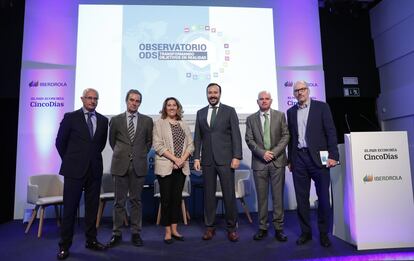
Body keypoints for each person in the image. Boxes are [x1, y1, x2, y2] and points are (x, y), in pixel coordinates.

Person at [55, 88, 108, 260]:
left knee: (92, 209)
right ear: (82, 99)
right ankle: (64, 245)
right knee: (70, 209)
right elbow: (60, 142)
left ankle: (91, 240)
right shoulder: (71, 117)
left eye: (95, 98)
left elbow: (99, 145)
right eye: (89, 98)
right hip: (74, 170)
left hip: (94, 170)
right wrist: (71, 160)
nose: (92, 101)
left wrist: (89, 160)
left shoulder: (103, 120)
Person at [287, 80, 339, 248]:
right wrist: (290, 159)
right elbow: (291, 138)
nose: (300, 92)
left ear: (308, 91)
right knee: (301, 199)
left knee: (323, 198)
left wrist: (333, 155)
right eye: (296, 90)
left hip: (319, 159)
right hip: (299, 159)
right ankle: (306, 233)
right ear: (294, 94)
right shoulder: (290, 112)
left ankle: (324, 233)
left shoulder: (321, 107)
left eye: (302, 89)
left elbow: (330, 131)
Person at [194, 83, 243, 242]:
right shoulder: (200, 113)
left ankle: (231, 228)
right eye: (210, 92)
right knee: (208, 196)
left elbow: (236, 135)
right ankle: (209, 227)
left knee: (229, 195)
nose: (212, 95)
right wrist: (196, 157)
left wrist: (237, 156)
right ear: (206, 94)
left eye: (215, 92)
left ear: (220, 94)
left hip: (226, 160)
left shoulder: (229, 111)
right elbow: (198, 138)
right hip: (207, 160)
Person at [106, 89, 153, 248]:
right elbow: (112, 141)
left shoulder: (147, 121)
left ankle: (135, 233)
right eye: (131, 100)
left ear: (140, 103)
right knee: (119, 202)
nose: (134, 103)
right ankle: (116, 234)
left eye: (137, 101)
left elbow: (148, 143)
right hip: (120, 165)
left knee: (136, 201)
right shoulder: (116, 120)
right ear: (126, 101)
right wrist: (123, 154)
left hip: (138, 166)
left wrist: (138, 155)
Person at [245, 91, 290, 242]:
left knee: (278, 198)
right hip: (259, 163)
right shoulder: (251, 119)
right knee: (262, 198)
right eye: (261, 99)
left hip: (277, 162)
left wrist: (274, 153)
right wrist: (262, 153)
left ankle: (279, 229)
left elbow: (286, 136)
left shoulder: (280, 115)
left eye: (266, 99)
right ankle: (263, 228)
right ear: (257, 102)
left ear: (271, 101)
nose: (264, 101)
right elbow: (249, 139)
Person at [153, 97, 194, 244]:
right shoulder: (159, 123)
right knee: (166, 201)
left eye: (174, 105)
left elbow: (191, 145)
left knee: (176, 200)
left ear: (178, 107)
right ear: (165, 108)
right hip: (166, 167)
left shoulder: (183, 124)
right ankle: (168, 231)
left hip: (181, 167)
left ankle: (175, 229)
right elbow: (158, 146)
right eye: (168, 105)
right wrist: (175, 159)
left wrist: (182, 160)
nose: (171, 107)